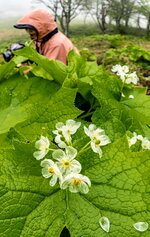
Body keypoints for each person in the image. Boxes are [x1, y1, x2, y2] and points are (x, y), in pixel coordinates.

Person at [14, 9, 78, 65]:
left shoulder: (57, 44)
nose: (29, 33)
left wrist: (25, 69)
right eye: (27, 30)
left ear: (42, 27)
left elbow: (50, 72)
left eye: (31, 30)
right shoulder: (44, 38)